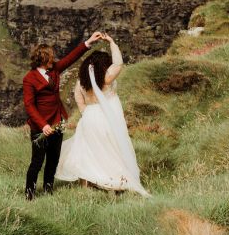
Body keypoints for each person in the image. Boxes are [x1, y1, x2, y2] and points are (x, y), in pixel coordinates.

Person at [55, 33, 150, 197]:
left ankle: (86, 184)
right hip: (106, 118)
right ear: (104, 66)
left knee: (89, 150)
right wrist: (112, 42)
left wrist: (88, 114)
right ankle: (114, 181)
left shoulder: (81, 82)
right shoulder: (106, 78)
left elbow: (79, 101)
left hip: (89, 118)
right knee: (110, 148)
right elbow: (119, 62)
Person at [23, 32, 103, 200]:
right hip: (40, 127)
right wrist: (43, 125)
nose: (54, 59)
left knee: (53, 161)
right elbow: (29, 105)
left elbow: (71, 58)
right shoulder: (29, 79)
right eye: (51, 57)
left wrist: (88, 42)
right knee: (37, 162)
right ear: (44, 59)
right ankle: (29, 195)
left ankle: (48, 190)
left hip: (57, 123)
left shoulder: (55, 71)